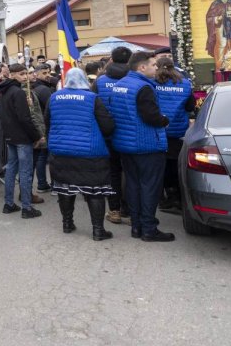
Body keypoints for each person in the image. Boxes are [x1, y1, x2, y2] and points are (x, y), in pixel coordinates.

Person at [105, 51, 174, 242]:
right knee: (150, 188)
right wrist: (165, 120)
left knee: (133, 186)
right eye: (153, 65)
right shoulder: (143, 88)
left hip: (126, 145)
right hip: (146, 145)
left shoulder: (119, 85)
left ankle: (137, 226)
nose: (156, 68)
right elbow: (150, 116)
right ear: (141, 67)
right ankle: (149, 229)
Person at [45, 69, 116, 240]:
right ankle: (98, 230)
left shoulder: (54, 97)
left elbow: (47, 122)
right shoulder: (92, 98)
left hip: (60, 151)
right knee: (95, 191)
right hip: (90, 152)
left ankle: (67, 223)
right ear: (85, 79)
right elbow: (107, 126)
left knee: (65, 188)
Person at [0, 64, 44, 219]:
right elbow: (24, 118)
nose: (25, 77)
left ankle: (8, 203)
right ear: (12, 75)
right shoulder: (17, 92)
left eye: (26, 74)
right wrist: (37, 136)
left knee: (11, 169)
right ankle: (26, 207)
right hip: (21, 137)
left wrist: (27, 104)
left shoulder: (5, 90)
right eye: (22, 74)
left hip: (10, 135)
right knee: (25, 172)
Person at [153, 57, 195, 212]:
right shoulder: (184, 84)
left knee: (161, 166)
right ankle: (178, 197)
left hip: (159, 130)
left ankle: (166, 197)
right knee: (176, 164)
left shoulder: (153, 84)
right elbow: (190, 105)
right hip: (178, 131)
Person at [97, 47, 133, 225]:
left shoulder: (100, 81)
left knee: (113, 174)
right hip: (130, 133)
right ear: (129, 61)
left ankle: (115, 210)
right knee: (131, 172)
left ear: (111, 59)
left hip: (108, 134)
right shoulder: (134, 80)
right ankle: (130, 209)